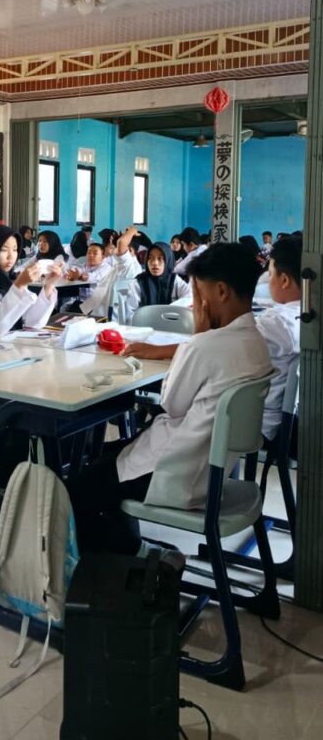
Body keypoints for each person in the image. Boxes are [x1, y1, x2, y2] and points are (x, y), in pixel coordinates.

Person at [67, 243, 272, 555]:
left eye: (198, 296)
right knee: (103, 458)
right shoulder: (257, 342)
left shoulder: (204, 345)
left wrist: (199, 334)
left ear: (220, 291)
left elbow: (171, 404)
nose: (195, 306)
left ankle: (136, 561)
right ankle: (134, 553)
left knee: (79, 487)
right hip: (212, 472)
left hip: (176, 474)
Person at [0, 225, 61, 340]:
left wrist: (49, 285)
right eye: (4, 250)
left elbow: (31, 323)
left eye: (15, 250)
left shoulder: (9, 281)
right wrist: (20, 285)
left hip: (10, 345)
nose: (11, 256)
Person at [255, 236, 301, 444]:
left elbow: (228, 347)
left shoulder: (277, 323)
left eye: (271, 273)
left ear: (284, 280)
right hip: (291, 417)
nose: (268, 278)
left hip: (260, 423)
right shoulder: (307, 317)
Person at [121, 241, 191, 323]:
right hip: (144, 327)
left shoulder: (174, 280)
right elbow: (130, 315)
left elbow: (190, 297)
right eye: (151, 258)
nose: (155, 263)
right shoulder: (138, 283)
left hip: (171, 326)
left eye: (160, 258)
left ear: (168, 260)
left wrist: (168, 310)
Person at [64, 242, 111, 311]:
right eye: (89, 253)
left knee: (71, 309)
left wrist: (79, 276)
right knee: (64, 308)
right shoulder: (86, 266)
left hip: (98, 303)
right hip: (82, 300)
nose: (91, 255)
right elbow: (78, 270)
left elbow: (93, 276)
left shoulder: (106, 268)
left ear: (103, 257)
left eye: (95, 253)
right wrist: (71, 274)